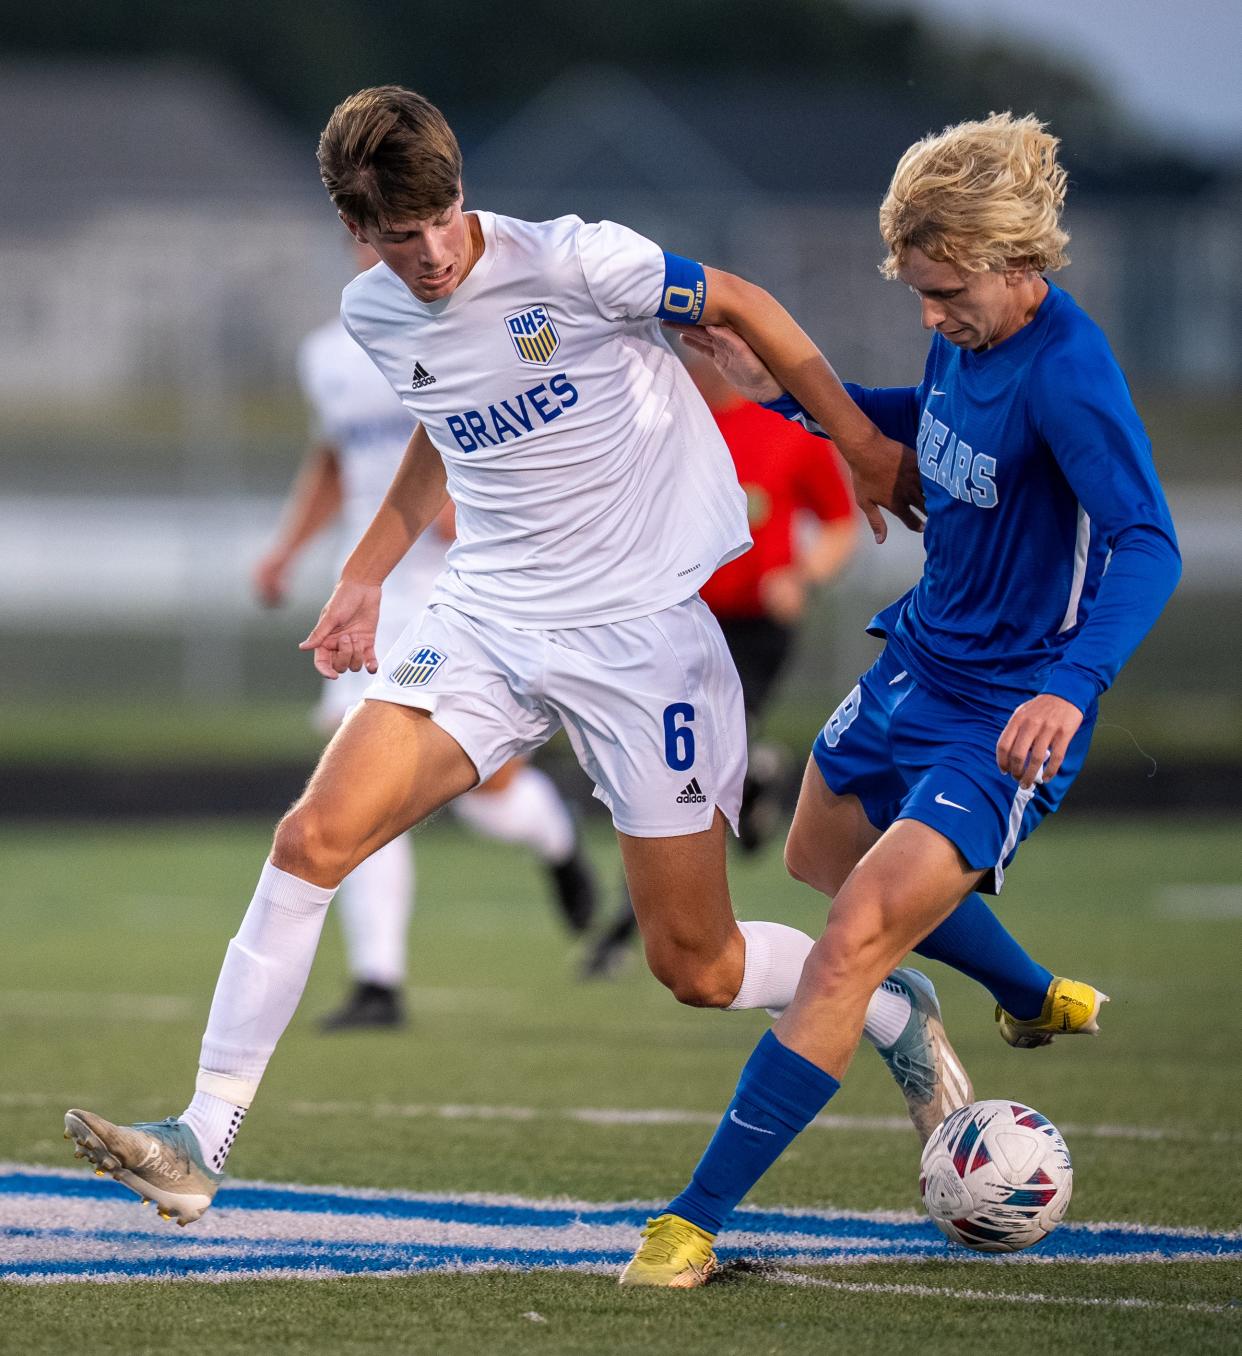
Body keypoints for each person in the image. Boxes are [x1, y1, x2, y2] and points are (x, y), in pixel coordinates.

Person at [66, 87, 1049, 1227]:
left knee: (700, 968)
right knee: (310, 838)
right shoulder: (376, 317)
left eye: (442, 221)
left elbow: (741, 301)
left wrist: (865, 445)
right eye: (400, 237)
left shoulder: (580, 264)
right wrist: (366, 570)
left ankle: (893, 1005)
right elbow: (443, 427)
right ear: (356, 232)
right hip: (486, 619)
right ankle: (201, 1136)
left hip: (642, 641)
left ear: (461, 191)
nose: (431, 253)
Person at [619, 112, 1181, 1287]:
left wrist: (1072, 689)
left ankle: (693, 1219)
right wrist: (783, 394)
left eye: (947, 292)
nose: (932, 314)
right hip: (918, 662)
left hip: (1008, 716)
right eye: (921, 292)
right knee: (821, 860)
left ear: (1018, 264)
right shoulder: (967, 341)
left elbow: (1149, 543)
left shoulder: (1069, 372)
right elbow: (926, 424)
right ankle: (1023, 993)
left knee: (850, 945)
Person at [254, 244, 598, 1029]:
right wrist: (286, 550)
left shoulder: (470, 324)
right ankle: (380, 981)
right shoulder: (331, 350)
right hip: (378, 596)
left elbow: (512, 432)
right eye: (384, 221)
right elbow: (336, 459)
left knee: (485, 796)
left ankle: (555, 836)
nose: (406, 242)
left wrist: (479, 503)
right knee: (358, 771)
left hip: (463, 584)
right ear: (354, 225)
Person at [581, 353, 858, 977]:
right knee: (665, 767)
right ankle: (751, 779)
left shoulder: (787, 429)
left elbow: (840, 525)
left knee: (688, 771)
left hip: (755, 631)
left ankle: (626, 933)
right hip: (671, 627)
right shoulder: (657, 426)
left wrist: (803, 577)